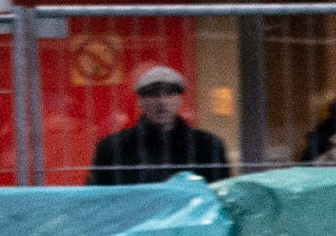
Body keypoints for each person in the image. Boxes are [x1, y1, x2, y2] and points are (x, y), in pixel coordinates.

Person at [86, 66, 231, 185]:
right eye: (153, 95)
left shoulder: (207, 145)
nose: (162, 102)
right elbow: (97, 197)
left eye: (169, 94)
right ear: (140, 101)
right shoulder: (112, 146)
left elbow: (221, 195)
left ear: (180, 99)